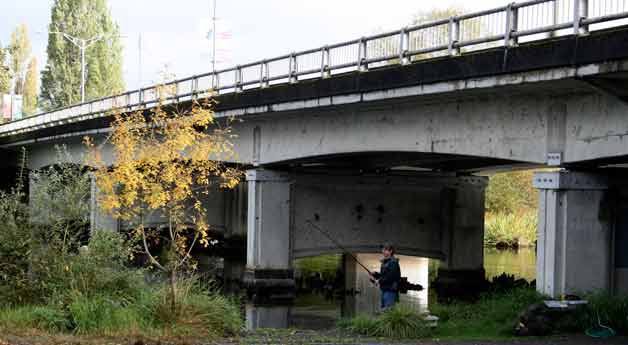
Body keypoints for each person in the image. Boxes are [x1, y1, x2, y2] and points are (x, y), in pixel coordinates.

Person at [369, 242, 401, 310]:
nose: (383, 251)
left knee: (388, 312)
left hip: (390, 290)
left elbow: (391, 277)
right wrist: (375, 274)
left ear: (391, 251)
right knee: (384, 311)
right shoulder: (386, 262)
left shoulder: (393, 262)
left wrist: (379, 280)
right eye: (382, 249)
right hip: (385, 289)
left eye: (385, 250)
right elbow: (384, 275)